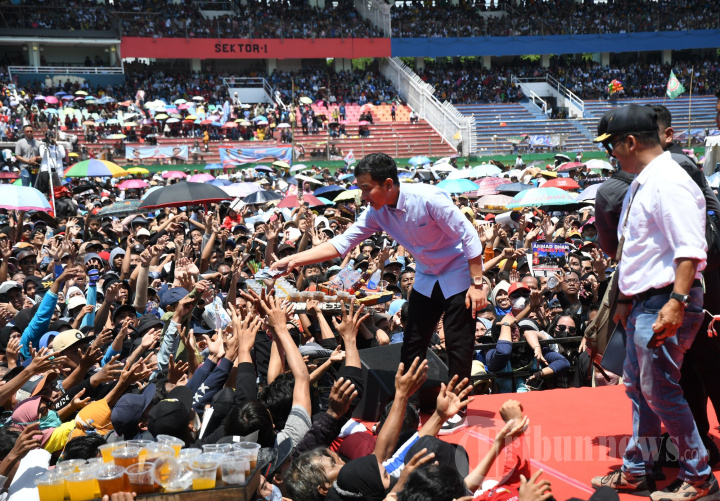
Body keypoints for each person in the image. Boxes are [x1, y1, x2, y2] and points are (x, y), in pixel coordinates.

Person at [271, 153, 487, 434]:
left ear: (387, 184)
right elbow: (342, 244)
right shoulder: (376, 212)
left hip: (458, 270)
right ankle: (406, 406)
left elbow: (469, 236)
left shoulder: (428, 199)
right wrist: (294, 260)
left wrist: (477, 283)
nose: (362, 196)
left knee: (459, 342)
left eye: (366, 188)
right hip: (426, 273)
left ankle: (458, 408)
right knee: (413, 342)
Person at [590, 105, 718, 500]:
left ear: (630, 142)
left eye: (612, 145)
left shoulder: (668, 181)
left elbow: (690, 249)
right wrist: (624, 299)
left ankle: (699, 477)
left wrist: (677, 301)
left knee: (659, 390)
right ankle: (637, 470)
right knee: (640, 389)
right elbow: (635, 251)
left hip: (665, 299)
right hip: (645, 301)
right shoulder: (646, 181)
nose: (610, 154)